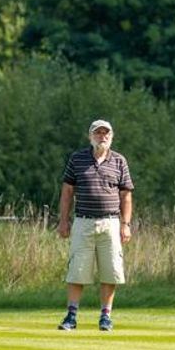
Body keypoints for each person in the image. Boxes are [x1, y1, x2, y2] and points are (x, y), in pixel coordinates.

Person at [56, 118, 134, 332]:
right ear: (90, 136)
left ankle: (105, 317)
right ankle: (71, 316)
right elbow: (67, 191)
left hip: (110, 223)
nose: (102, 136)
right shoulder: (77, 159)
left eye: (106, 133)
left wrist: (126, 224)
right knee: (77, 271)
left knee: (111, 271)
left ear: (111, 136)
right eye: (98, 133)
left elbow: (126, 195)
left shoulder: (119, 161)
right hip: (83, 222)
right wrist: (63, 220)